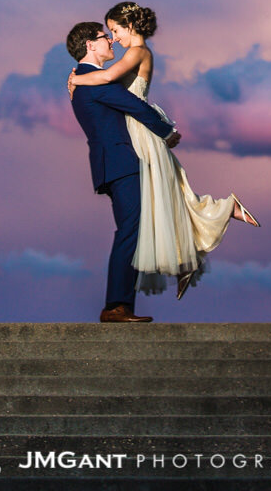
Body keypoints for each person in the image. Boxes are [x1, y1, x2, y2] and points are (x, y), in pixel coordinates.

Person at [68, 2, 258, 301]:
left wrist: (77, 78)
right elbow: (107, 86)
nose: (113, 38)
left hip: (142, 131)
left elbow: (107, 80)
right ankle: (195, 247)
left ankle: (218, 218)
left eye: (115, 30)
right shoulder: (123, 58)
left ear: (129, 26)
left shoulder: (137, 52)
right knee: (167, 196)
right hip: (135, 134)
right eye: (109, 34)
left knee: (167, 195)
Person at [66, 20, 182, 323]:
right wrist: (168, 132)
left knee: (133, 229)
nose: (111, 42)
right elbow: (135, 106)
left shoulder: (81, 80)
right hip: (120, 163)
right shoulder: (92, 79)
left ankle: (121, 304)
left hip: (113, 163)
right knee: (130, 230)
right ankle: (116, 305)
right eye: (106, 38)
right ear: (90, 45)